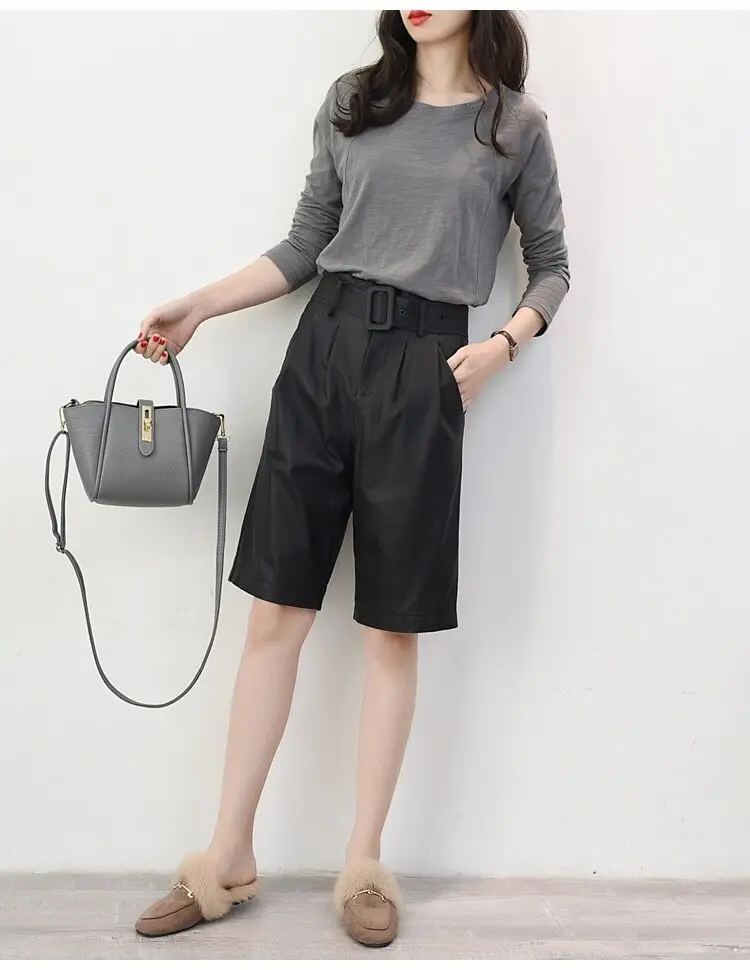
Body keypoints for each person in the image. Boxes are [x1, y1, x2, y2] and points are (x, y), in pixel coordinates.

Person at [133, 9, 569, 948]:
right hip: (321, 354)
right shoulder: (354, 101)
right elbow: (305, 244)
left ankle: (365, 863)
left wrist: (502, 345)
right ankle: (227, 856)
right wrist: (200, 305)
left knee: (391, 628)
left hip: (425, 368)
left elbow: (551, 267)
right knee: (275, 613)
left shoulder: (514, 126)